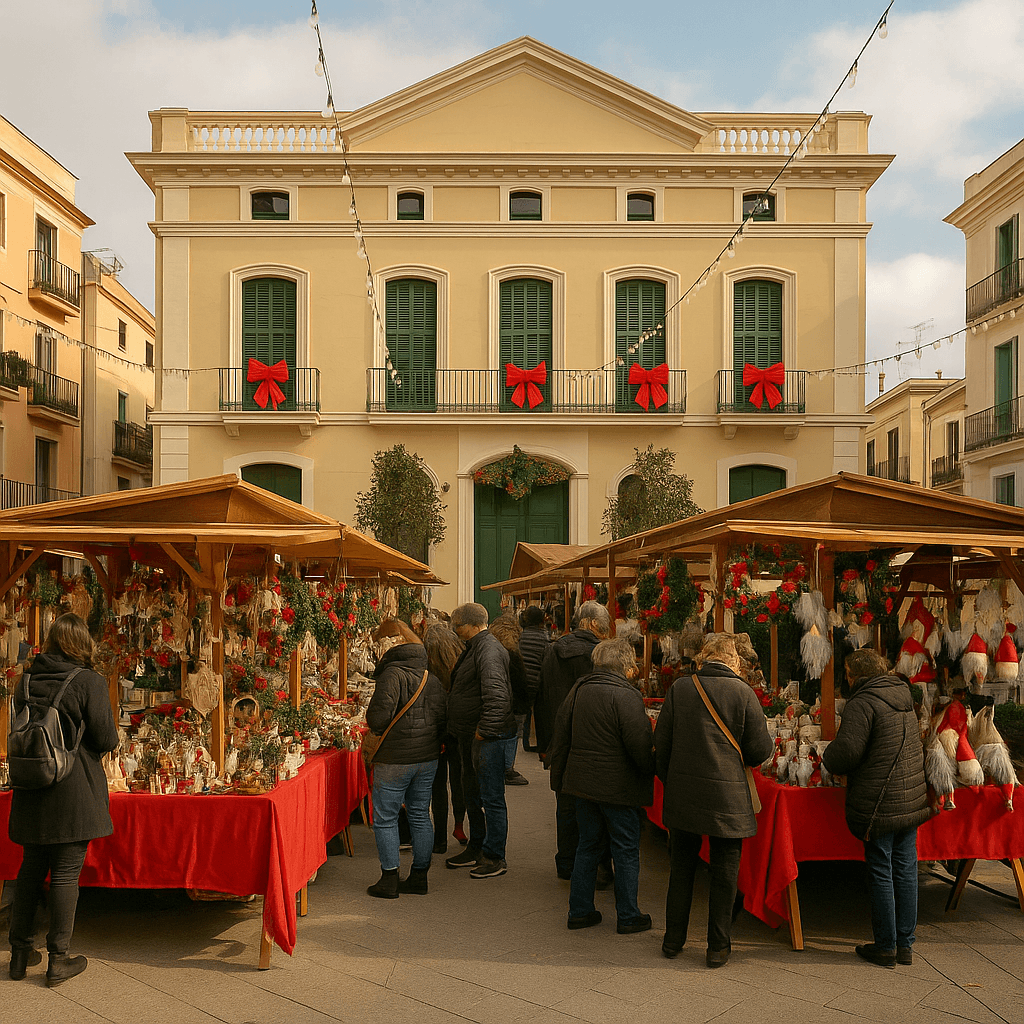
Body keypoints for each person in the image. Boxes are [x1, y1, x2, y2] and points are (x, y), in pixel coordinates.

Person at [7, 613, 119, 986]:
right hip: (72, 791)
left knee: (30, 869)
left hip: (30, 787)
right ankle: (59, 959)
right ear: (82, 643)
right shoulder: (88, 682)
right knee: (66, 874)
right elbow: (106, 740)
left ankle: (20, 954)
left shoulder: (26, 680)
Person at [655, 633, 773, 968]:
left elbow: (660, 747)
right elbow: (759, 751)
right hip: (729, 797)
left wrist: (674, 782)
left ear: (704, 658)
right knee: (724, 873)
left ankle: (672, 940)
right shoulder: (743, 692)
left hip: (685, 796)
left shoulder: (680, 689)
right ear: (734, 661)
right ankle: (717, 947)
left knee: (681, 870)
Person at [822, 648, 930, 968]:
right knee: (906, 868)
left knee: (882, 869)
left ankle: (885, 946)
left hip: (880, 801)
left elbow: (847, 753)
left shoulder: (862, 701)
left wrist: (828, 756)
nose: (846, 678)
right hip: (909, 798)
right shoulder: (902, 695)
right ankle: (905, 945)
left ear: (855, 674)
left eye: (846, 672)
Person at [546, 639, 655, 933]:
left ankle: (580, 910)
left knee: (588, 845)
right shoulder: (625, 695)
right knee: (625, 849)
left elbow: (562, 734)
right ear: (625, 664)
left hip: (582, 784)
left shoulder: (579, 689)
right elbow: (640, 745)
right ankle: (628, 914)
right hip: (617, 787)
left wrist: (561, 778)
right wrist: (651, 769)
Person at [365, 619, 447, 898]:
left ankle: (389, 879)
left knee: (386, 817)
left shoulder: (392, 674)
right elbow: (441, 718)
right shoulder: (430, 676)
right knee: (420, 815)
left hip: (395, 758)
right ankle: (419, 877)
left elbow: (378, 718)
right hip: (427, 757)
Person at [536, 601, 610, 880]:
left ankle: (566, 862)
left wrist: (545, 746)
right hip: (591, 740)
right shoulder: (598, 653)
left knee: (565, 806)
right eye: (603, 625)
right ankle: (595, 865)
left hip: (559, 737)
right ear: (591, 624)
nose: (605, 631)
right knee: (594, 806)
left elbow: (542, 697)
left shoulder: (554, 650)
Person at [445, 603, 516, 878]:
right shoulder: (477, 647)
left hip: (487, 737)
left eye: (458, 625)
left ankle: (494, 856)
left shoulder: (487, 649)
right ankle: (477, 846)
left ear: (472, 625)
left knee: (491, 798)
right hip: (473, 735)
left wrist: (483, 731)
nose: (455, 630)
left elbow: (497, 695)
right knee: (473, 793)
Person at [422, 622, 468, 850]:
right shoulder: (461, 661)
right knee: (459, 780)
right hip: (457, 729)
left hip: (435, 731)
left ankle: (439, 837)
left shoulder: (427, 669)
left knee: (437, 785)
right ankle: (459, 824)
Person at [488, 614, 531, 785]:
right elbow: (521, 682)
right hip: (515, 704)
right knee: (512, 737)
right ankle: (507, 769)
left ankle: (497, 767)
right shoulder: (513, 654)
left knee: (497, 735)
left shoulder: (490, 653)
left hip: (497, 703)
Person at [517, 605, 550, 752]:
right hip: (536, 678)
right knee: (536, 713)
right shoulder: (544, 638)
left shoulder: (520, 636)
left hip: (522, 677)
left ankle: (525, 741)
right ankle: (534, 741)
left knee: (525, 711)